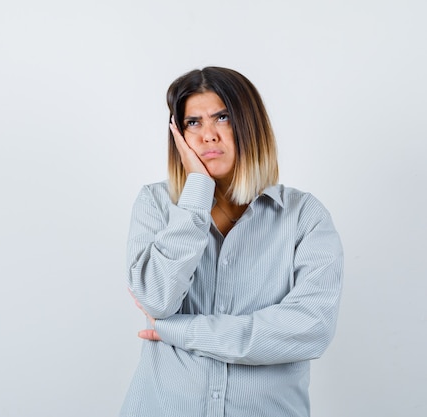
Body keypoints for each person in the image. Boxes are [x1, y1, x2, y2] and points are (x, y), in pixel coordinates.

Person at [121, 67, 343, 417]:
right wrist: (196, 194)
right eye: (193, 123)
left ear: (249, 126)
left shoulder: (305, 216)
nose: (208, 135)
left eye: (221, 117)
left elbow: (309, 330)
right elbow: (157, 300)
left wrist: (182, 331)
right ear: (178, 136)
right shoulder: (156, 204)